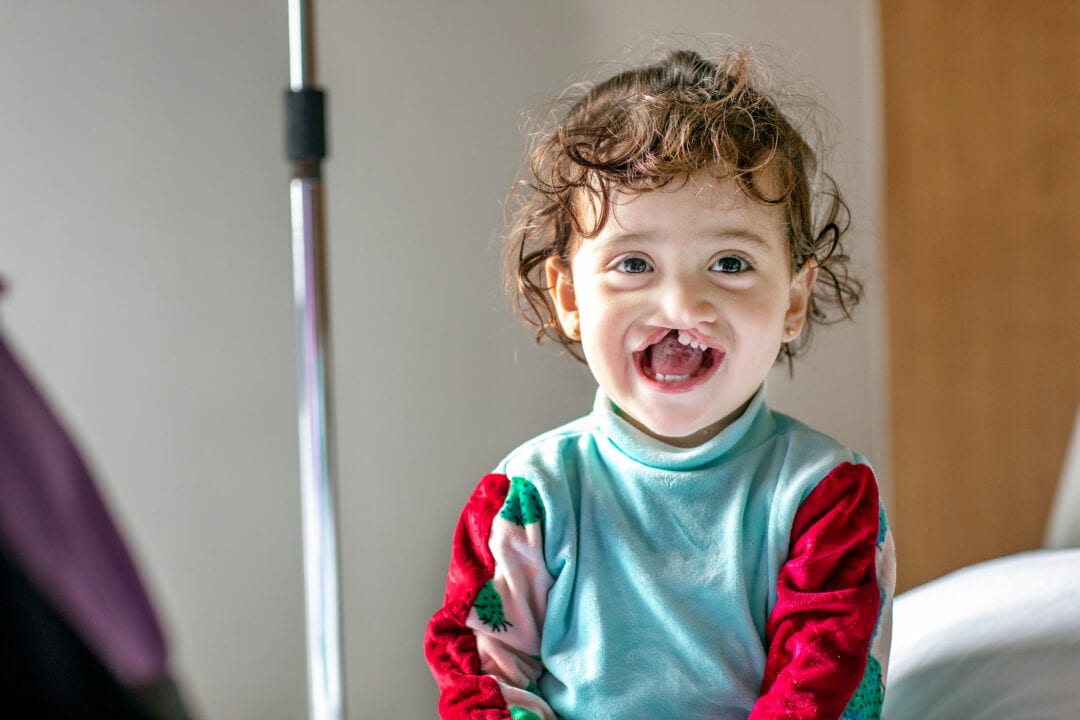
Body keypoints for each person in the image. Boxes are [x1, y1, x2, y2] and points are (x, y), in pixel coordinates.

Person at [424, 48, 895, 720]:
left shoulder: (825, 496)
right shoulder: (528, 498)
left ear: (794, 300)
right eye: (634, 263)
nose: (680, 306)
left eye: (729, 262)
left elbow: (823, 684)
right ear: (569, 297)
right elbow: (481, 679)